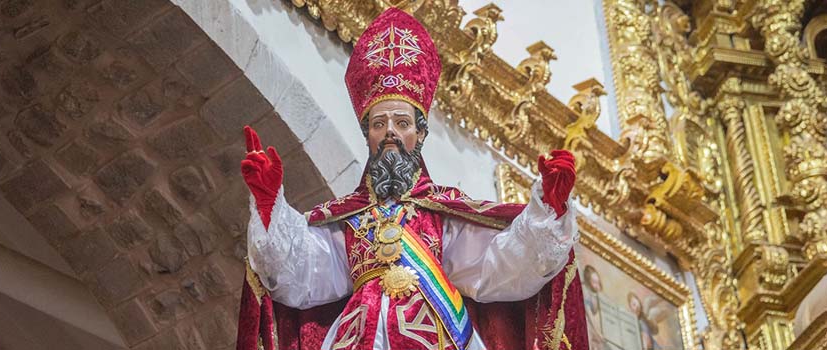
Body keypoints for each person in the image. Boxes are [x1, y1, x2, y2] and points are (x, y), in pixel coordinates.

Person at [235, 8, 589, 350]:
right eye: (379, 124)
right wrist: (270, 206)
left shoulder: (444, 213)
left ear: (419, 135)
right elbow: (299, 277)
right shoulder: (346, 220)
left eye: (402, 123)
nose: (390, 132)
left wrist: (549, 209)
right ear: (368, 135)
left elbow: (501, 268)